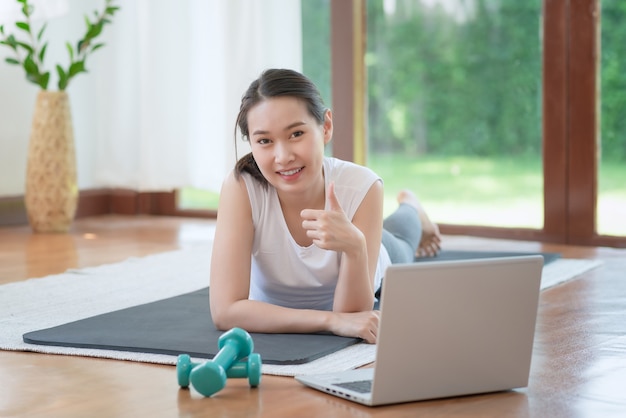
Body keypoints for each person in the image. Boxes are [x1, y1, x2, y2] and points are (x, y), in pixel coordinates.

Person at [210, 68, 441, 344]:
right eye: (265, 141)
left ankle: (412, 207)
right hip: (329, 304)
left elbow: (353, 315)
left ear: (326, 126)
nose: (283, 157)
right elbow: (225, 311)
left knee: (403, 243)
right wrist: (329, 320)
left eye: (296, 134)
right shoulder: (241, 188)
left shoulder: (361, 185)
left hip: (376, 257)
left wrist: (355, 247)